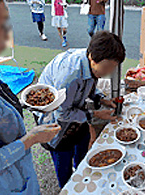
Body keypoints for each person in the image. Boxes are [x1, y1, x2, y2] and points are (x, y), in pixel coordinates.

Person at [35, 31, 126, 188]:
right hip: (54, 119)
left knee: (82, 144)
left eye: (114, 68)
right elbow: (62, 113)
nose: (109, 72)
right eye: (107, 67)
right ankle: (68, 187)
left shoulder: (91, 61)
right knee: (63, 157)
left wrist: (101, 98)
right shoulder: (70, 75)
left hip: (74, 108)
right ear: (91, 57)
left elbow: (89, 84)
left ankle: (81, 169)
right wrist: (96, 114)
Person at [0, 1, 62, 194]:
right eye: (2, 24)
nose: (7, 34)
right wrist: (31, 138)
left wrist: (23, 105)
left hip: (19, 177)